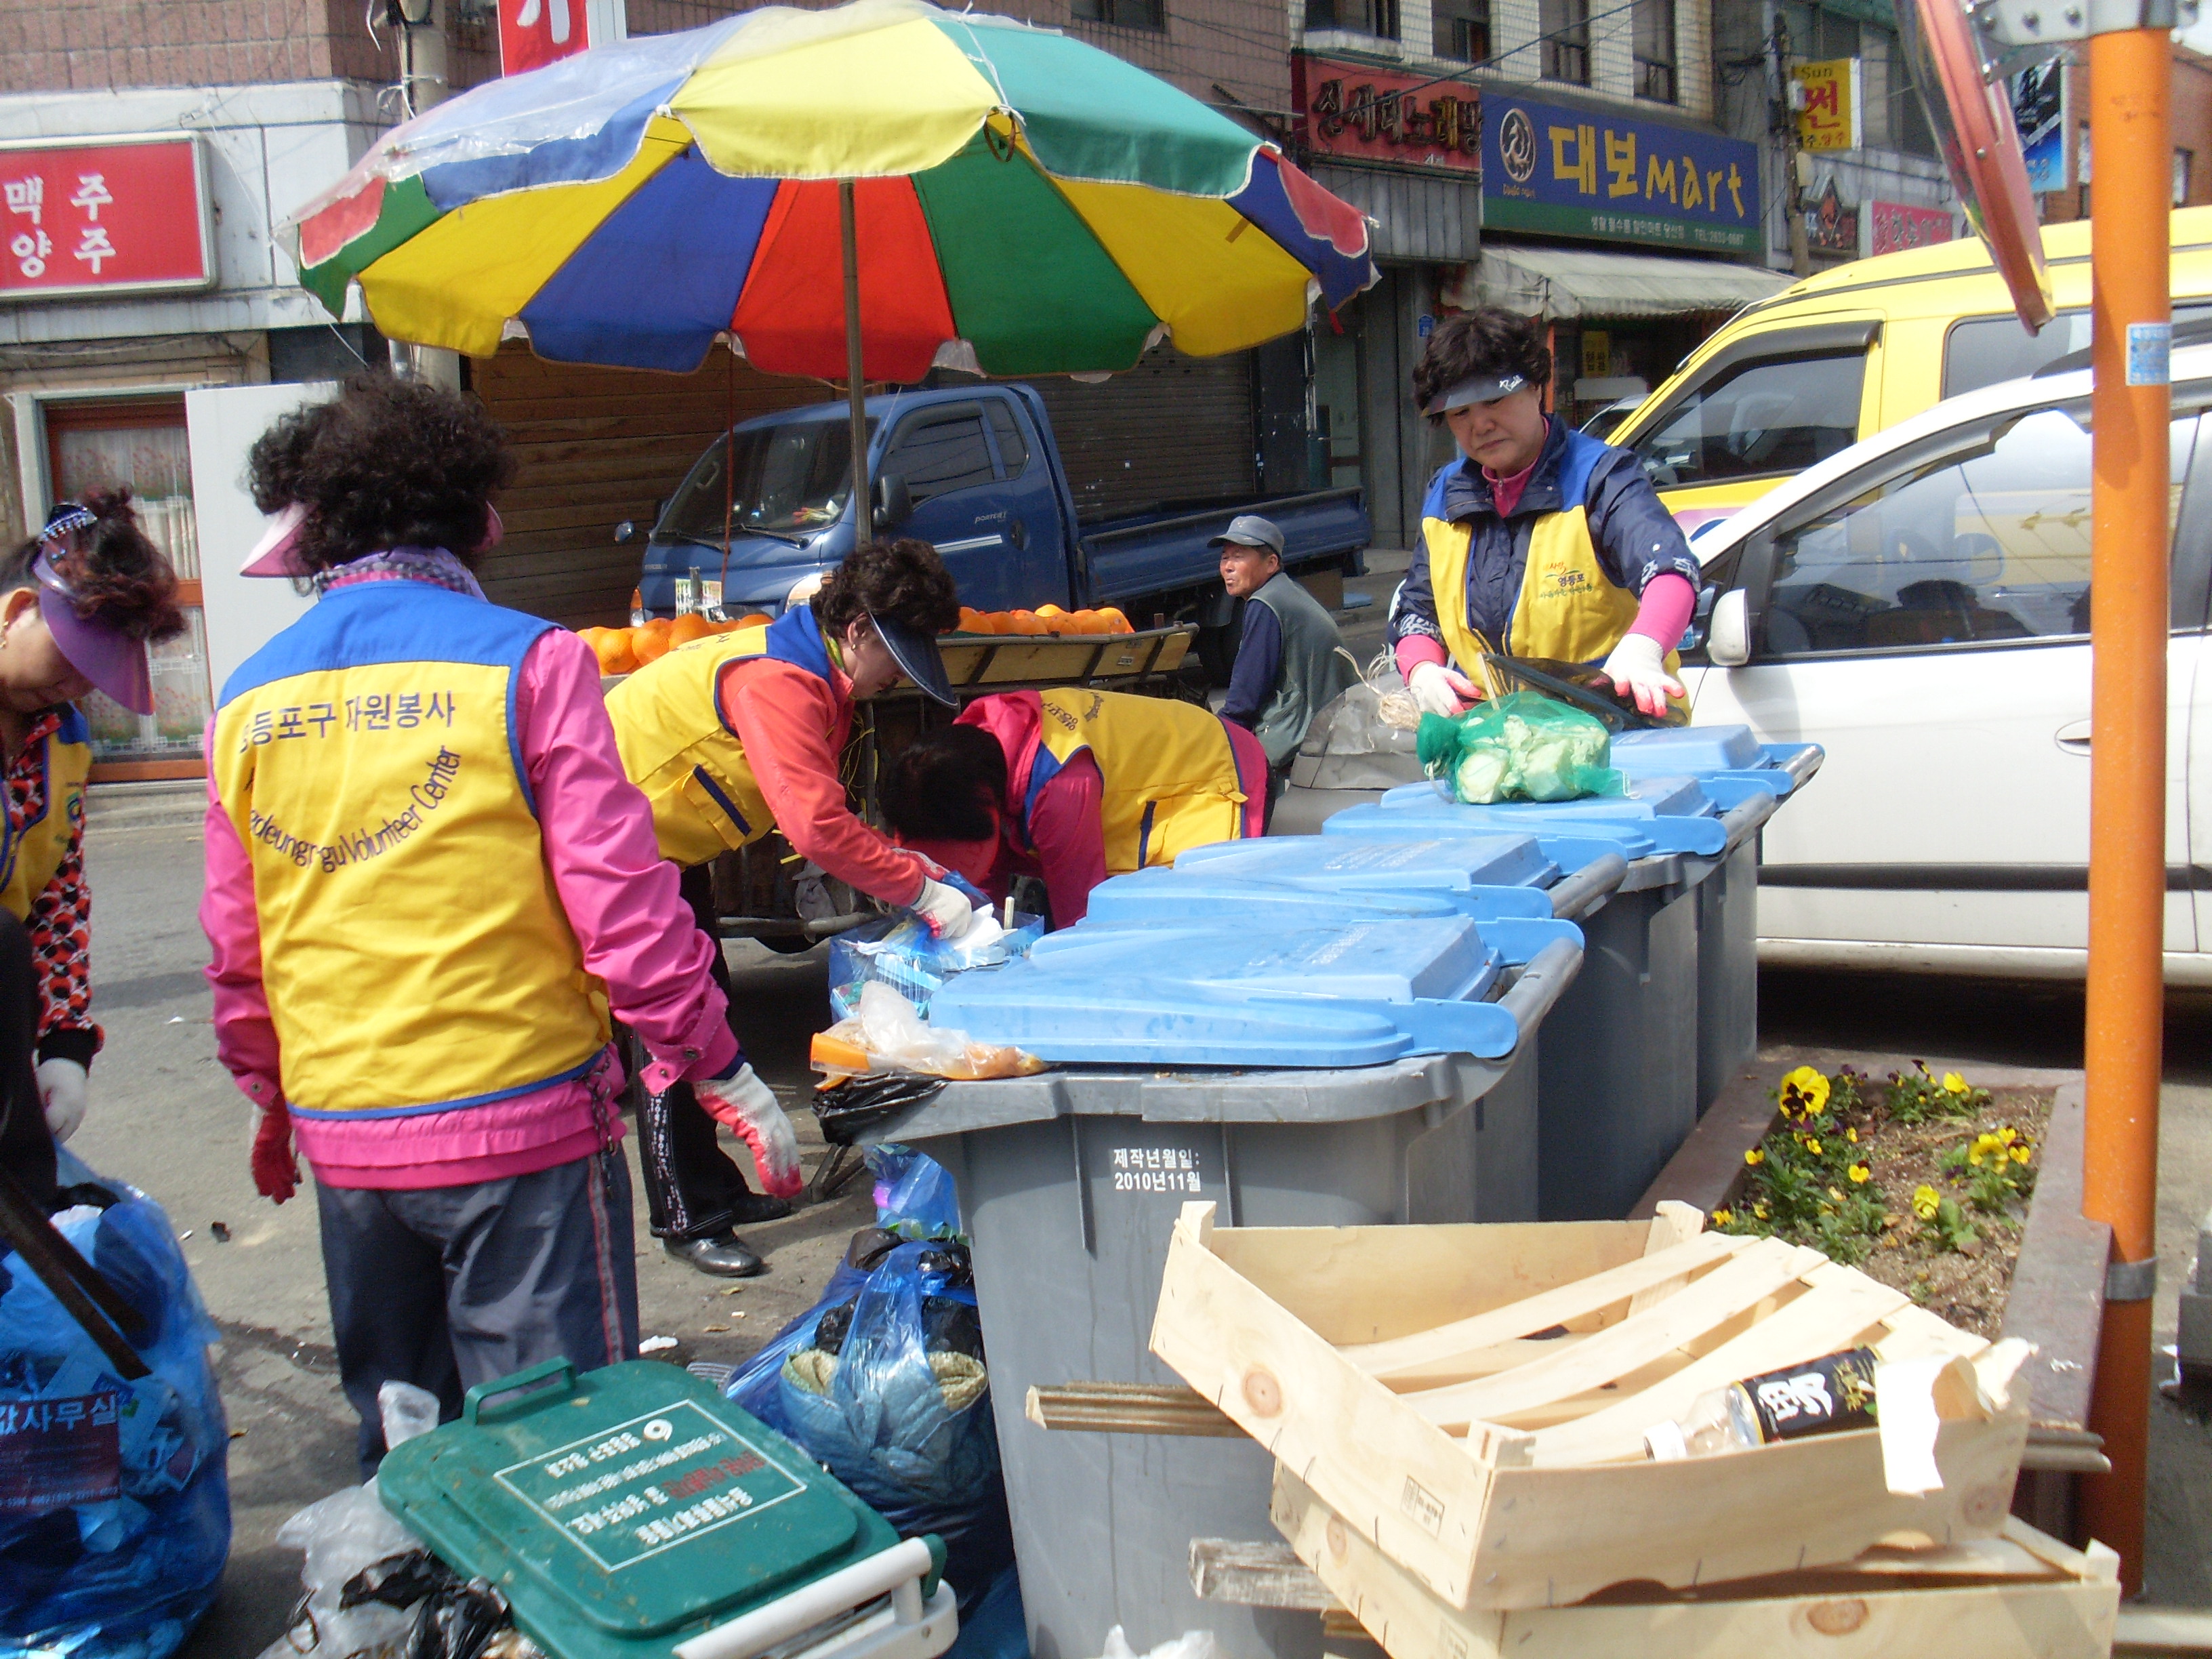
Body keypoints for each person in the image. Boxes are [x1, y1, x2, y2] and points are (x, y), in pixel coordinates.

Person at [201, 373, 778, 1473]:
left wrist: (270, 1094)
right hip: (519, 1134)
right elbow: (623, 911)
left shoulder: (245, 700)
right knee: (559, 1451)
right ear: (474, 512)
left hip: (348, 1141)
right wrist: (712, 1060)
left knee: (410, 1451)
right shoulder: (530, 662)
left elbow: (240, 948)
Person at [605, 537, 975, 1278]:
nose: (896, 678)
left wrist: (909, 865)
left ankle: (714, 1190)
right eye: (896, 657)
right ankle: (687, 1215)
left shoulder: (811, 668)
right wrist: (922, 890)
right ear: (859, 631)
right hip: (614, 847)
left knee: (707, 998)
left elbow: (820, 807)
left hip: (660, 845)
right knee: (672, 1025)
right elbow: (814, 827)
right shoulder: (780, 681)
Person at [0, 496, 184, 1208]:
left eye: (93, 672)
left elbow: (58, 895)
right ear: (18, 611)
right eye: (70, 658)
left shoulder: (63, 739)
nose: (74, 683)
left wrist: (66, 1044)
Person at [1392, 308, 1702, 721]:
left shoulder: (1601, 477)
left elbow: (1670, 570)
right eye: (1460, 413)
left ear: (1537, 388)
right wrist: (1421, 668)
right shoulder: (1444, 496)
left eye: (1494, 400)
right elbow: (1418, 610)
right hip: (1504, 741)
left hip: (1622, 727)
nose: (1480, 424)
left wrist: (1644, 647)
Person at [877, 688, 1267, 929]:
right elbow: (982, 888)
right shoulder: (965, 753)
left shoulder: (1060, 782)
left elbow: (1081, 914)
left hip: (1213, 770)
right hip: (1142, 771)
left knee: (1201, 922)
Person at [1212, 514, 1360, 815]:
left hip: (1301, 733)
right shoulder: (1286, 592)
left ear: (1271, 563)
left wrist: (1211, 738)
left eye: (1239, 557)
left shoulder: (1265, 604)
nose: (1227, 566)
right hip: (1329, 720)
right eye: (1225, 557)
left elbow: (1245, 697)